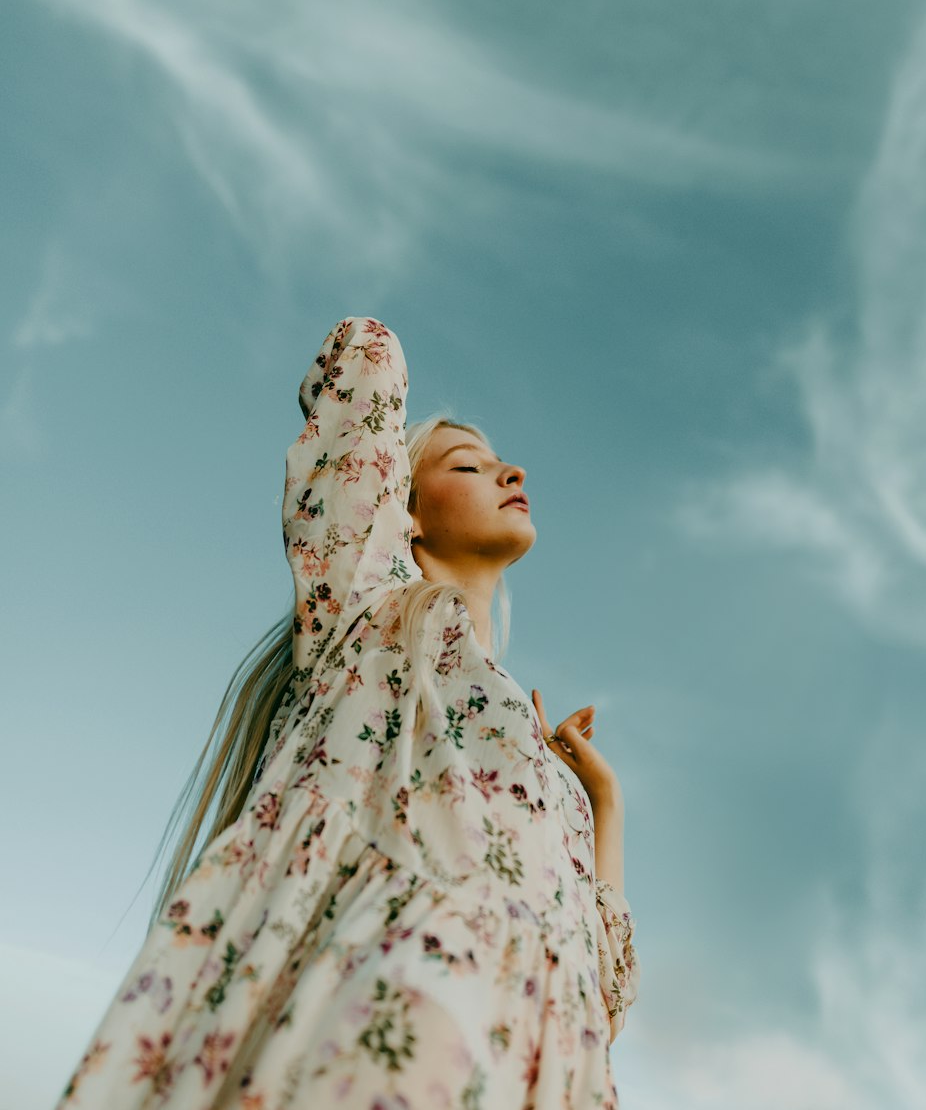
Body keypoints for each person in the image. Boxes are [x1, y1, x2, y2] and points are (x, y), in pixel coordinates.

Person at [57, 316, 640, 1109]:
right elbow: (366, 354)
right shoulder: (370, 614)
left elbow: (598, 997)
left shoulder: (545, 764)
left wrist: (602, 804)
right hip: (385, 1028)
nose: (511, 471)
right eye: (469, 464)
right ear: (405, 511)